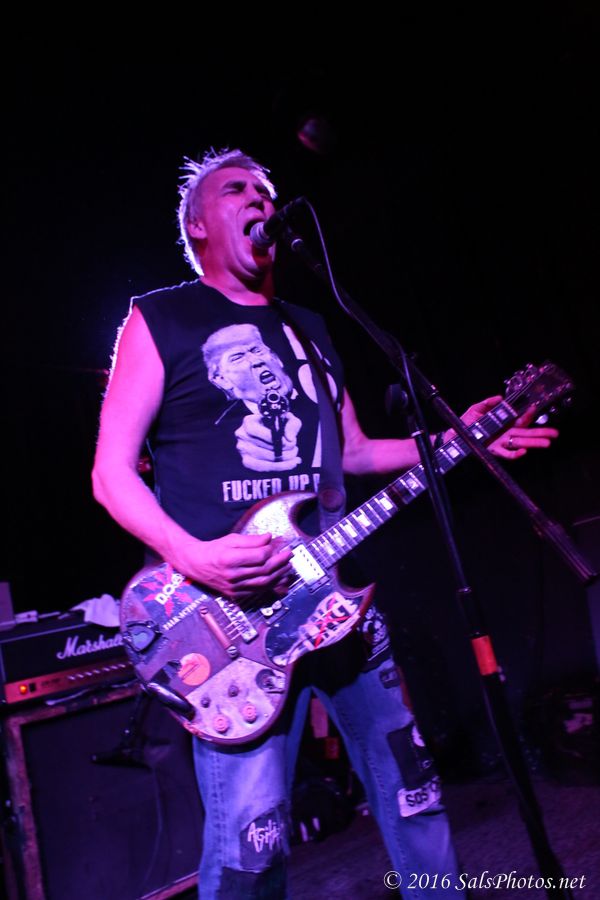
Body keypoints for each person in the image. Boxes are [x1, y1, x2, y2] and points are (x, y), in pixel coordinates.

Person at [92, 149, 558, 898]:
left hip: (338, 605)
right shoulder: (161, 317)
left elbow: (357, 451)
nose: (259, 198)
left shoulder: (309, 328)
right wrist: (193, 556)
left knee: (413, 793)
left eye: (266, 189)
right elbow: (110, 473)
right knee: (252, 842)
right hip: (224, 621)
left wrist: (461, 437)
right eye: (237, 189)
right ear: (198, 226)